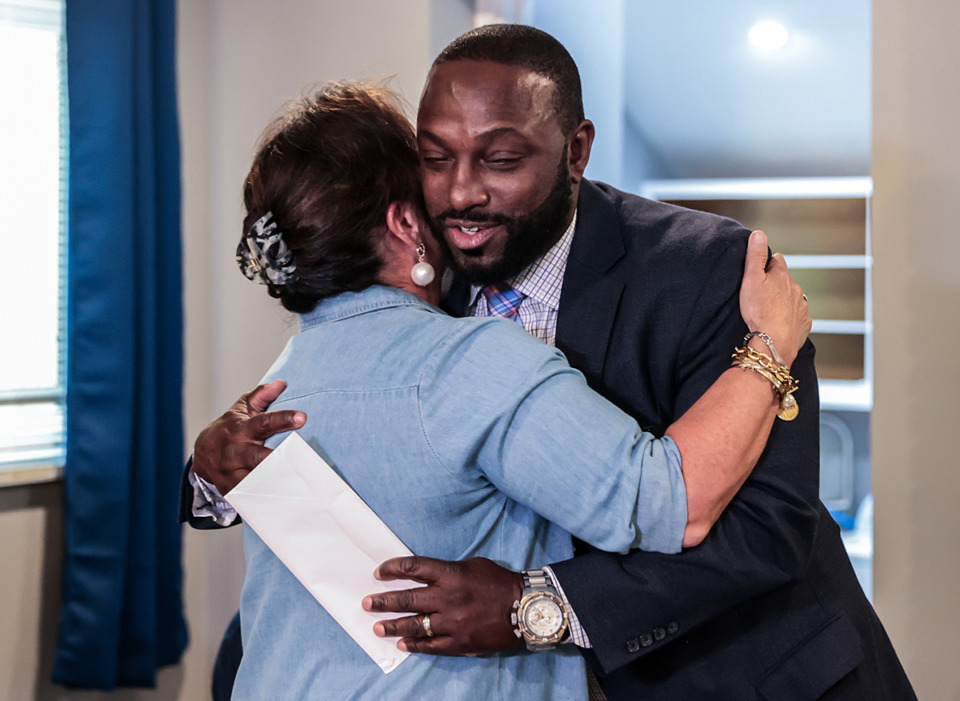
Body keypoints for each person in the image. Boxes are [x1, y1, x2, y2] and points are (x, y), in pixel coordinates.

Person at [188, 24, 915, 701]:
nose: (463, 191)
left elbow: (766, 528)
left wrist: (536, 607)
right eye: (436, 158)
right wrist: (211, 478)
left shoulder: (713, 270)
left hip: (743, 673)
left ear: (575, 150)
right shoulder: (425, 279)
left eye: (501, 160)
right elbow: (340, 434)